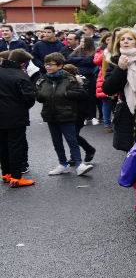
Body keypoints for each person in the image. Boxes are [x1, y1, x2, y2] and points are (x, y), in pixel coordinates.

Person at [102, 28, 136, 215]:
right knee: (134, 157)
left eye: (130, 39)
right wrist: (121, 69)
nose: (125, 42)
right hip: (126, 115)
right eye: (122, 40)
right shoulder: (115, 62)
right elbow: (108, 88)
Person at [36, 53, 93, 177]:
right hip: (50, 115)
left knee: (72, 140)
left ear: (60, 65)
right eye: (46, 64)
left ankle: (79, 165)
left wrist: (67, 94)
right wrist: (40, 95)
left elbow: (82, 93)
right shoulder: (43, 80)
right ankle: (63, 164)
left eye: (51, 64)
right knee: (57, 142)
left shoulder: (70, 79)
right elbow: (39, 97)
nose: (48, 67)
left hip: (67, 114)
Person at [0, 49, 37, 187]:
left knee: (3, 145)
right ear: (22, 63)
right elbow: (29, 98)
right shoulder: (21, 75)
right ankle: (16, 177)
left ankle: (6, 173)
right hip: (15, 116)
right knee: (15, 145)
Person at [62, 64, 97, 165]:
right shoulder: (70, 82)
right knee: (72, 135)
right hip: (71, 112)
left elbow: (84, 96)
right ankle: (76, 156)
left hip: (79, 112)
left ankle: (88, 150)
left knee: (73, 135)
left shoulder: (80, 82)